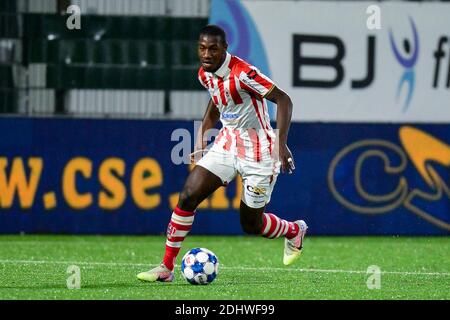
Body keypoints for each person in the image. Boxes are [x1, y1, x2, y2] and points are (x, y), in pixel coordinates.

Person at [137, 25, 307, 282]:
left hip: (259, 152)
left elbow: (284, 100)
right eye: (202, 48)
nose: (206, 54)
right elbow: (217, 101)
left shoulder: (243, 73)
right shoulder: (204, 74)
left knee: (251, 225)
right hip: (227, 144)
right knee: (188, 196)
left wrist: (281, 144)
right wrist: (202, 134)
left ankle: (294, 230)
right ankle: (166, 268)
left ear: (224, 49)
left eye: (213, 49)